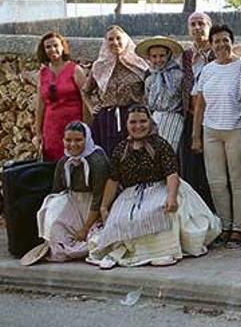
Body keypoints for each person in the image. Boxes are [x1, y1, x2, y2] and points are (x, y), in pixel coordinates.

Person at [87, 104, 221, 268]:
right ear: (127, 124)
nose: (138, 126)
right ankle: (122, 251)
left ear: (150, 122)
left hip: (161, 187)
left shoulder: (160, 144)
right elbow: (113, 179)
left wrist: (172, 197)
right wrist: (104, 207)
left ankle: (163, 251)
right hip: (132, 194)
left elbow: (172, 174)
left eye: (143, 121)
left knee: (159, 211)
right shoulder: (120, 149)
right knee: (121, 219)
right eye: (133, 122)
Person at [191, 25, 241, 248]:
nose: (221, 45)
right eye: (217, 41)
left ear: (232, 42)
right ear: (211, 44)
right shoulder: (207, 70)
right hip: (211, 131)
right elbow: (199, 105)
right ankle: (224, 225)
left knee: (238, 179)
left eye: (225, 40)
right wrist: (196, 136)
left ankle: (238, 228)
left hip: (236, 128)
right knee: (216, 181)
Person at [22, 122, 110, 265]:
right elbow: (57, 190)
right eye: (68, 140)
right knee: (54, 223)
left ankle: (83, 248)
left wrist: (85, 228)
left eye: (78, 140)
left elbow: (99, 197)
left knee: (97, 241)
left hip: (94, 207)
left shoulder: (96, 161)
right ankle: (62, 248)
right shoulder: (64, 162)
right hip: (73, 202)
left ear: (86, 139)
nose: (72, 145)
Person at [84, 25, 149, 154]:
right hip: (107, 120)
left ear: (126, 40)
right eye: (110, 39)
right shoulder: (99, 67)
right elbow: (86, 91)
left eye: (118, 38)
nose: (115, 42)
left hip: (134, 118)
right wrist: (92, 108)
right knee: (109, 156)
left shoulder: (139, 65)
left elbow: (149, 91)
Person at [180, 11, 216, 208]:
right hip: (190, 117)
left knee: (213, 170)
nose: (197, 28)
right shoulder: (185, 56)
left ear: (209, 26)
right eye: (193, 24)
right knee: (192, 169)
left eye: (201, 23)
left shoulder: (217, 51)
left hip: (214, 117)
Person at [34, 31, 89, 161]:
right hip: (51, 127)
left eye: (55, 45)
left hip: (73, 125)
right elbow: (40, 104)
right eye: (48, 47)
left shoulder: (75, 70)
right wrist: (38, 132)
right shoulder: (43, 74)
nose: (52, 49)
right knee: (52, 164)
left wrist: (86, 127)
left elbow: (86, 100)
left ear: (62, 47)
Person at [136, 36, 185, 152]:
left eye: (162, 56)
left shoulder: (179, 76)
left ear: (168, 55)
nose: (158, 60)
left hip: (173, 118)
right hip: (155, 118)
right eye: (154, 56)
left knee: (168, 152)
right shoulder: (150, 79)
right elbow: (147, 100)